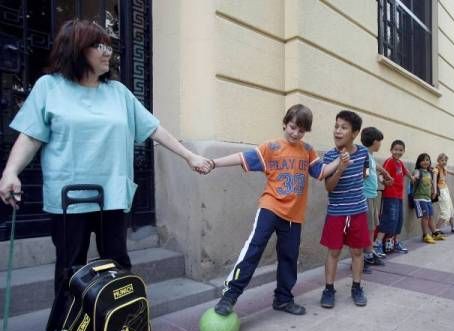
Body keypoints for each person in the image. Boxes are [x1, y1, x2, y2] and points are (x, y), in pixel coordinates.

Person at [0, 20, 209, 309]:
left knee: (118, 265)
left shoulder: (118, 93)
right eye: (98, 45)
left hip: (112, 195)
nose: (107, 51)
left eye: (108, 44)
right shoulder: (49, 87)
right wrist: (11, 171)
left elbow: (153, 129)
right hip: (69, 198)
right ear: (76, 49)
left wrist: (189, 155)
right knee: (70, 269)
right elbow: (31, 136)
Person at [205, 104, 343, 316]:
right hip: (270, 208)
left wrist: (339, 163)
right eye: (292, 127)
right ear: (285, 124)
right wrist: (213, 163)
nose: (295, 133)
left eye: (301, 130)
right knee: (253, 250)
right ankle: (229, 296)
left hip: (294, 216)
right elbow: (243, 158)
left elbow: (321, 172)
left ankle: (283, 299)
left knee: (289, 258)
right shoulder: (272, 147)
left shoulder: (307, 151)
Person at [320, 110, 370, 309]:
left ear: (355, 133)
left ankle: (356, 287)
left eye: (344, 127)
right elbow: (328, 187)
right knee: (334, 252)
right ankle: (329, 289)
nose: (338, 131)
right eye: (336, 126)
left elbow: (365, 170)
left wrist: (362, 178)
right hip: (337, 213)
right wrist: (340, 168)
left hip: (358, 210)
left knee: (357, 252)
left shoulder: (364, 153)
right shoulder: (330, 156)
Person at [360, 127, 392, 271]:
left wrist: (384, 173)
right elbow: (365, 173)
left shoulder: (370, 155)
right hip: (365, 196)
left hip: (372, 195)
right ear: (374, 141)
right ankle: (362, 258)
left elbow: (375, 165)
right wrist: (371, 175)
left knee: (371, 226)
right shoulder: (365, 156)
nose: (380, 144)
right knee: (366, 227)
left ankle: (369, 252)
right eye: (379, 141)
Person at [374, 139, 412, 255]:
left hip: (398, 197)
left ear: (404, 151)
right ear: (391, 150)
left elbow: (406, 172)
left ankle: (393, 243)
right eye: (395, 149)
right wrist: (383, 182)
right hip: (390, 196)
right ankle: (377, 244)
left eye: (400, 150)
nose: (398, 152)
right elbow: (381, 174)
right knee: (388, 219)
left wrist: (413, 177)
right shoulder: (389, 162)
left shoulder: (400, 163)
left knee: (398, 220)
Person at [432, 153, 454, 235]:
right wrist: (435, 191)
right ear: (438, 161)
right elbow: (434, 181)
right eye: (442, 160)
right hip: (440, 191)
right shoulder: (436, 169)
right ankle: (436, 230)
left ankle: (453, 227)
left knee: (451, 210)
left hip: (445, 189)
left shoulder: (444, 168)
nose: (444, 162)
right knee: (445, 212)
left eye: (445, 160)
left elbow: (450, 171)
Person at [412, 153, 439, 243]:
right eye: (423, 160)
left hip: (428, 198)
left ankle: (434, 233)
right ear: (419, 162)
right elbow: (415, 175)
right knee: (425, 216)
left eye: (427, 160)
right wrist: (414, 177)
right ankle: (425, 235)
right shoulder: (418, 171)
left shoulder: (429, 172)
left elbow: (431, 184)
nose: (425, 162)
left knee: (431, 216)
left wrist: (434, 192)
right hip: (419, 198)